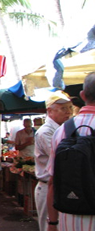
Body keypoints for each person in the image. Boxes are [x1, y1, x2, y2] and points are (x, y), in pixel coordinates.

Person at [46, 72, 95, 231]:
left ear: (82, 95)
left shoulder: (62, 131)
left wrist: (52, 223)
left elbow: (53, 182)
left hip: (70, 218)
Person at [34, 90, 72, 231]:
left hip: (59, 187)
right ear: (50, 111)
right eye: (63, 108)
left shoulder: (63, 129)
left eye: (70, 108)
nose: (68, 112)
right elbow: (63, 159)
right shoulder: (46, 132)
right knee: (49, 226)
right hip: (47, 187)